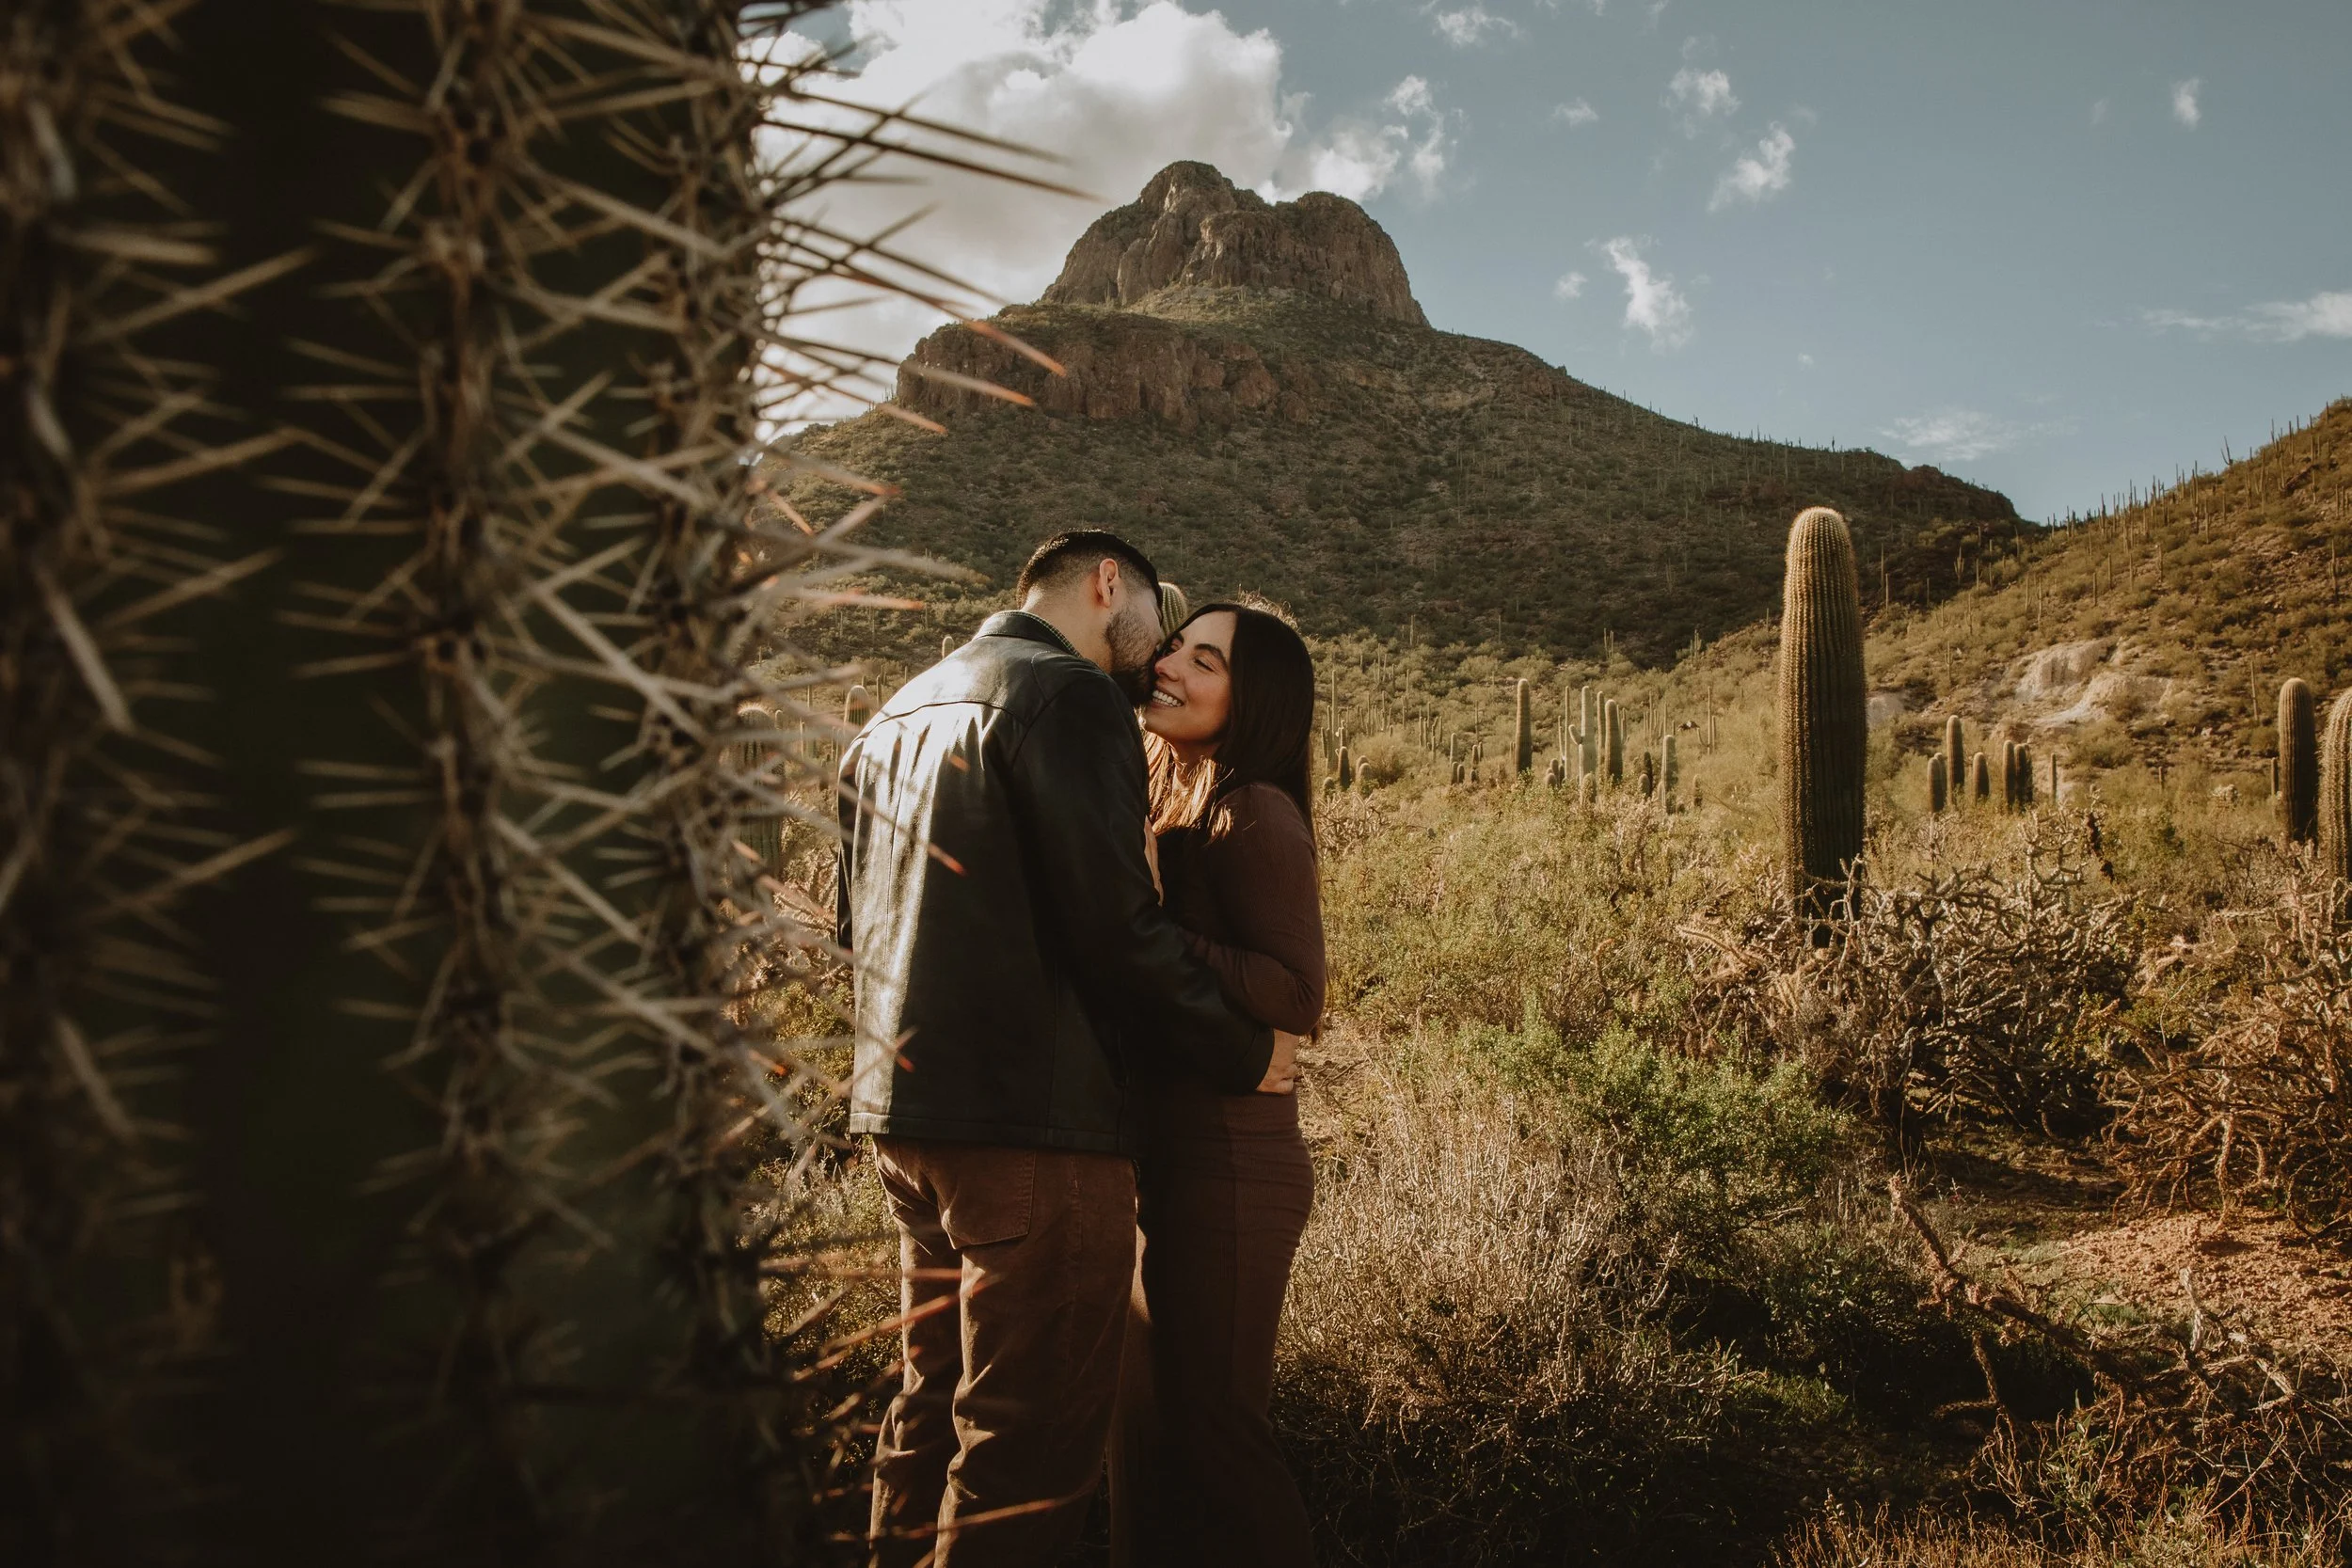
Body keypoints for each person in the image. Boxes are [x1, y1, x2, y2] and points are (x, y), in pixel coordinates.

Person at [834, 531, 1297, 1568]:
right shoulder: (1068, 695)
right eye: (1153, 613)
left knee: (928, 1406)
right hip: (1036, 1137)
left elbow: (854, 930)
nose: (1157, 650)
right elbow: (1118, 931)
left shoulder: (890, 716)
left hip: (903, 1125)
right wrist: (1242, 1050)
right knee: (1024, 1447)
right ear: (1104, 584)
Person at [1111, 601, 1325, 1567]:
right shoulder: (1182, 803)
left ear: (1254, 701)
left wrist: (1150, 927)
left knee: (1219, 1436)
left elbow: (1295, 990)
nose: (1171, 666)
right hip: (1180, 1156)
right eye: (1173, 646)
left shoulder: (1254, 811)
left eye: (1206, 661)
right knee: (1161, 1438)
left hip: (1234, 1164)